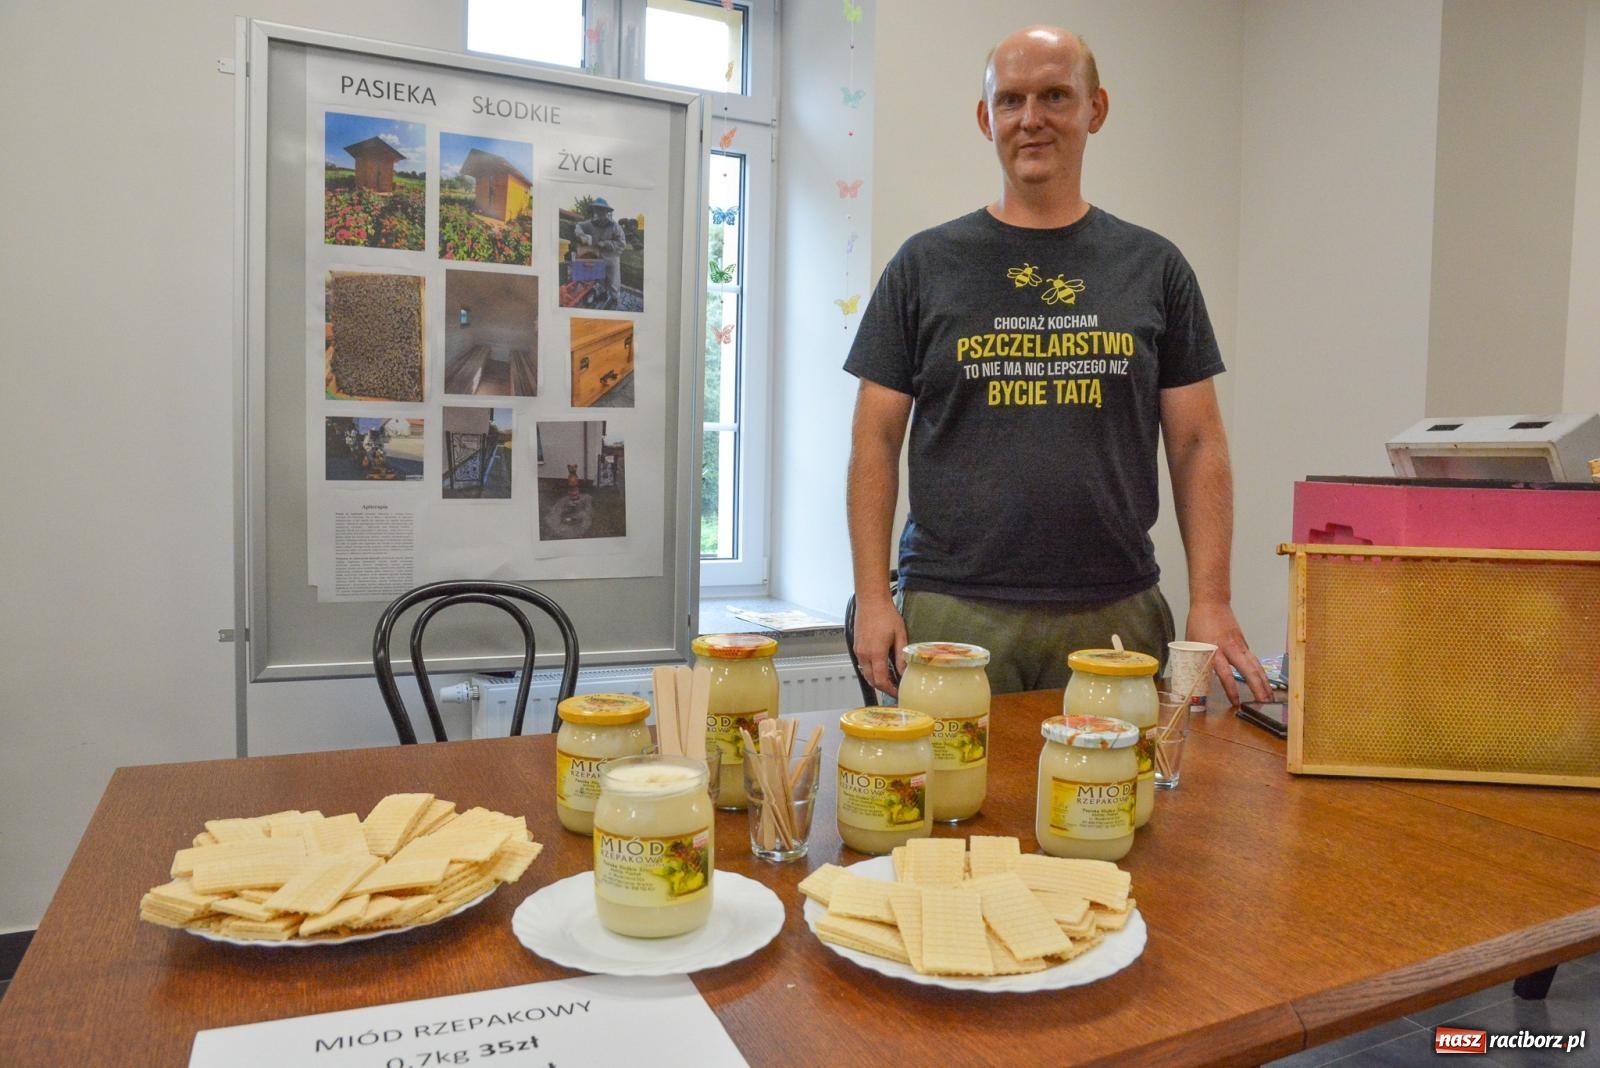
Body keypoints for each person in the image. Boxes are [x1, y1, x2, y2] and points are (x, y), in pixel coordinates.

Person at [845, 25, 1272, 705]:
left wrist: (1212, 601)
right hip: (953, 609)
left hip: (1115, 611)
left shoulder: (1154, 268)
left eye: (1054, 96)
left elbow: (1196, 443)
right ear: (987, 118)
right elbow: (875, 439)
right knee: (951, 809)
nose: (1031, 119)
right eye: (1011, 101)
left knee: (1116, 810)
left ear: (1094, 109)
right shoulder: (923, 266)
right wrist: (873, 596)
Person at [573, 197, 626, 301]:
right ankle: (603, 297)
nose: (599, 212)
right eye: (597, 209)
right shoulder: (591, 223)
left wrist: (606, 243)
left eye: (602, 210)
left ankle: (615, 302)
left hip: (612, 258)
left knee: (613, 283)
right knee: (600, 281)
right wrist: (581, 235)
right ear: (594, 211)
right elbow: (578, 226)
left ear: (606, 211)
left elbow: (622, 244)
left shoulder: (615, 226)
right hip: (598, 258)